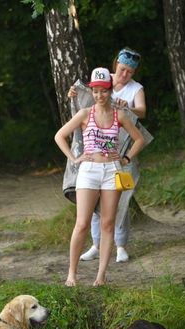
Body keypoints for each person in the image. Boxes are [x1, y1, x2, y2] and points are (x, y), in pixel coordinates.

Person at [55, 67, 145, 287]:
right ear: (92, 91)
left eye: (103, 91)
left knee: (108, 223)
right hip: (89, 170)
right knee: (82, 223)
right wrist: (75, 158)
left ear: (110, 90)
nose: (99, 95)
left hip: (112, 170)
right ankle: (72, 274)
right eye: (95, 91)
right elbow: (60, 136)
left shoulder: (119, 115)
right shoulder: (85, 113)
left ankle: (101, 276)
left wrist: (125, 158)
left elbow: (139, 139)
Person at [69, 47, 146, 263]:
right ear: (116, 66)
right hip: (94, 157)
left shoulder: (135, 89)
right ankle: (95, 244)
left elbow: (142, 111)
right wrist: (72, 94)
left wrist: (128, 108)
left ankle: (120, 245)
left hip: (121, 151)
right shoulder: (102, 79)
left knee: (120, 203)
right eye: (122, 69)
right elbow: (83, 96)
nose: (125, 74)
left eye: (130, 72)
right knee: (93, 206)